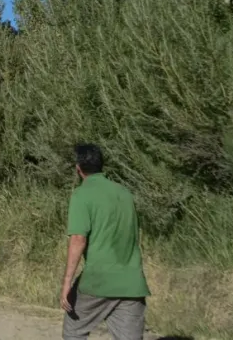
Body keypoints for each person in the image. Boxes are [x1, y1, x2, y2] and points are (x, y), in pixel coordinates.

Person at [61, 144, 150, 340]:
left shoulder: (81, 195)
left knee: (73, 332)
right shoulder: (125, 193)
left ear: (78, 168)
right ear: (102, 165)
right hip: (132, 281)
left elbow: (78, 238)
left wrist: (67, 281)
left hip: (98, 280)